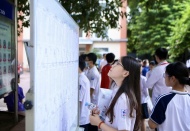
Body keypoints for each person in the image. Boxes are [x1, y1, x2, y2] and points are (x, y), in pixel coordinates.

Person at [89, 56, 141, 131]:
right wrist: (101, 115)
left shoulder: (123, 99)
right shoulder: (116, 88)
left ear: (125, 73)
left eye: (118, 64)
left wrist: (99, 123)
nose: (113, 65)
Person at [148, 62, 190, 131]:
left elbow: (152, 125)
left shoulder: (163, 99)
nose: (164, 77)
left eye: (165, 75)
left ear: (173, 79)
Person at [85, 53, 101, 131]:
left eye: (87, 60)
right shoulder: (89, 70)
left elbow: (92, 89)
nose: (85, 61)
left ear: (91, 61)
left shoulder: (94, 73)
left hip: (92, 100)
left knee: (92, 122)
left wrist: (87, 101)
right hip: (90, 100)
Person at [78, 58, 91, 131]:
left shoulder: (81, 79)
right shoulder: (83, 78)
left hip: (82, 115)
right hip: (84, 113)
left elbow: (80, 99)